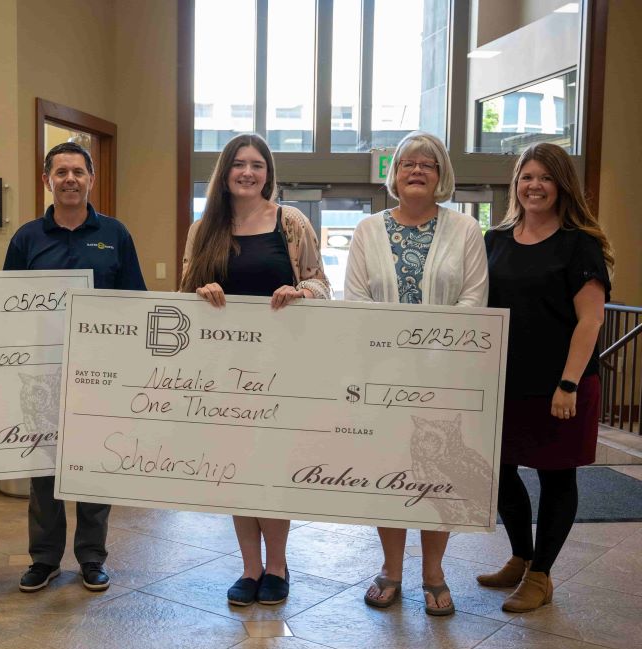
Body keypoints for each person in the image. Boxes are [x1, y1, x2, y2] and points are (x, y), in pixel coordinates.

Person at [181, 133, 331, 607]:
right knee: (237, 469)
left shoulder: (290, 221)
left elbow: (321, 283)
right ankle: (249, 568)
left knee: (273, 468)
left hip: (281, 369)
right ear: (224, 172)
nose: (248, 172)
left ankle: (278, 565)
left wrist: (300, 293)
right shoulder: (202, 228)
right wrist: (200, 291)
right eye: (239, 164)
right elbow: (183, 295)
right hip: (222, 373)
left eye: (257, 165)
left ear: (268, 173)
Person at [345, 131, 487, 616]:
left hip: (444, 377)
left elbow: (473, 300)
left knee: (436, 475)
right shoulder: (367, 230)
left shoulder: (466, 230)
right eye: (408, 163)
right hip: (382, 377)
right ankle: (390, 569)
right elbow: (356, 302)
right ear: (395, 173)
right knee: (389, 473)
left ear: (442, 174)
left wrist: (430, 347)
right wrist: (393, 349)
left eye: (428, 163)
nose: (417, 170)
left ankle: (434, 571)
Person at [4, 141, 146, 593]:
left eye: (77, 172)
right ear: (47, 180)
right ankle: (44, 558)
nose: (69, 179)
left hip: (99, 372)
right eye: (60, 172)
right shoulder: (27, 238)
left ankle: (91, 557)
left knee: (94, 463)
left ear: (91, 178)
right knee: (44, 470)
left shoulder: (116, 234)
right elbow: (4, 305)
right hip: (41, 371)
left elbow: (134, 301)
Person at [476, 142, 612, 613]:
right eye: (527, 176)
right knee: (498, 472)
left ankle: (541, 575)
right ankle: (520, 555)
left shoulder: (579, 244)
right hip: (505, 383)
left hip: (562, 386)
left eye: (546, 178)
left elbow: (590, 320)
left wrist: (568, 383)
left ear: (561, 186)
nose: (535, 186)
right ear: (516, 183)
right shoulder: (494, 240)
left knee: (557, 477)